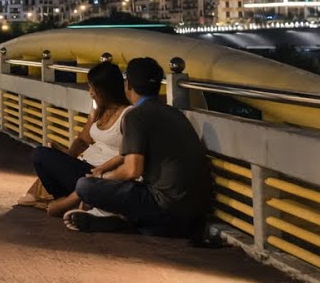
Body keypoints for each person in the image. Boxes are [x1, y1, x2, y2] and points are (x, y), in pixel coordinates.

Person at [66, 57, 211, 236]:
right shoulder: (175, 113)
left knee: (85, 186)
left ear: (128, 86)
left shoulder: (136, 116)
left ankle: (125, 221)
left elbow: (132, 170)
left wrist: (102, 177)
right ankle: (126, 222)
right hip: (196, 215)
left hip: (163, 207)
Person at [22, 61, 129, 216]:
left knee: (41, 154)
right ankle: (70, 199)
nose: (91, 93)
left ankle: (74, 201)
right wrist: (66, 157)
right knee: (41, 155)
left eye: (94, 88)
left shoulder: (127, 115)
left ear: (106, 89)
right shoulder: (97, 110)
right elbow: (83, 140)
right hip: (83, 168)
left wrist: (101, 172)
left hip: (100, 174)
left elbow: (128, 154)